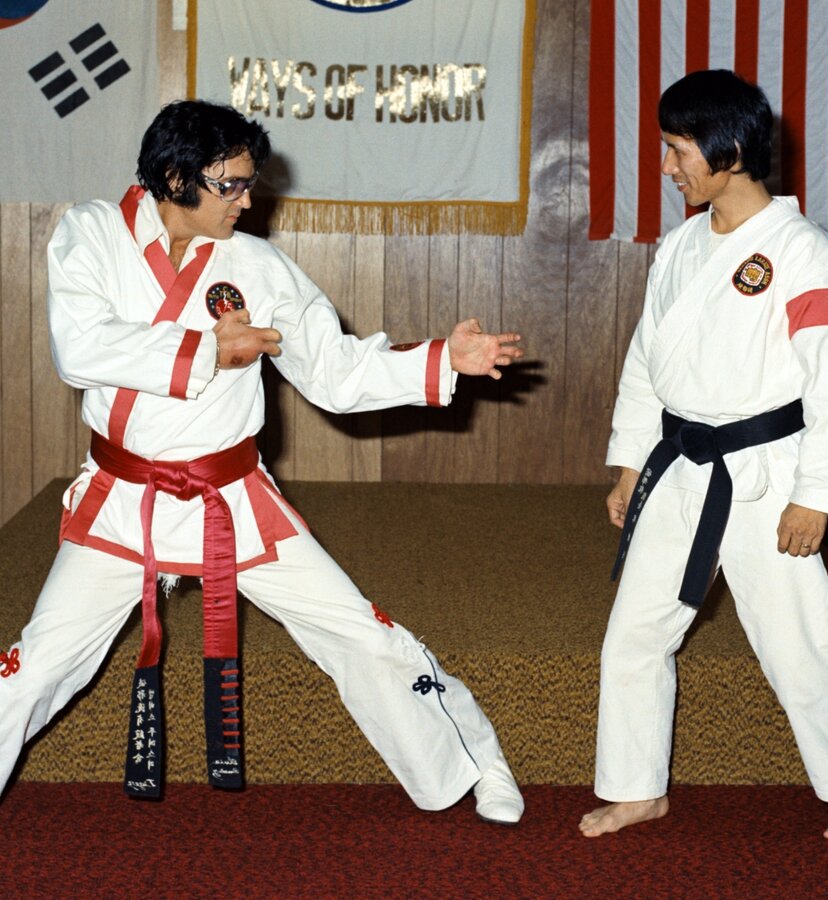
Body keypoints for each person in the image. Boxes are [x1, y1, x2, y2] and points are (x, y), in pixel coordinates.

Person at [0, 99, 525, 825]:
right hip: (127, 499)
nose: (249, 199)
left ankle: (475, 767)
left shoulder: (258, 266)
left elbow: (336, 374)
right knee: (35, 668)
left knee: (360, 634)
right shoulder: (90, 235)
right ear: (176, 177)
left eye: (252, 183)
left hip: (231, 498)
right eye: (233, 184)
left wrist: (441, 359)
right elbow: (79, 348)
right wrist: (209, 350)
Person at [579, 70, 828, 843]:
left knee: (797, 638)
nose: (668, 165)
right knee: (635, 631)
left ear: (731, 148)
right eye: (666, 147)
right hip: (680, 464)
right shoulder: (680, 246)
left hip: (765, 473)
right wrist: (629, 463)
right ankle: (636, 785)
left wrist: (817, 493)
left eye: (679, 149)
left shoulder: (802, 251)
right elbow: (646, 360)